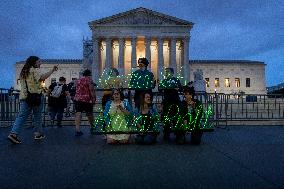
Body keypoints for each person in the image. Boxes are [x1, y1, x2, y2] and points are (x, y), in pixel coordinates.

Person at [7, 56, 58, 144]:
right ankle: (38, 134)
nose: (40, 63)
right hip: (36, 96)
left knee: (21, 116)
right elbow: (42, 77)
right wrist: (52, 70)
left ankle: (13, 134)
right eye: (39, 62)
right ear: (34, 62)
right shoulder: (34, 70)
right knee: (37, 115)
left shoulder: (23, 72)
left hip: (25, 97)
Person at [159, 67, 182, 141]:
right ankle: (166, 134)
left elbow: (180, 88)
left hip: (175, 102)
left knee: (176, 118)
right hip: (167, 102)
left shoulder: (176, 80)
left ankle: (178, 134)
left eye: (168, 72)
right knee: (166, 119)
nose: (166, 73)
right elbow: (160, 89)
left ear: (172, 73)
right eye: (166, 72)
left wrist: (177, 88)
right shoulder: (164, 81)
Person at [74, 69, 96, 136]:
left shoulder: (78, 80)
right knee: (90, 114)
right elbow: (91, 90)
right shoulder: (89, 79)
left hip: (77, 99)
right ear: (89, 74)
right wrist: (94, 98)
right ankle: (92, 127)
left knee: (78, 114)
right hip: (86, 99)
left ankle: (77, 130)